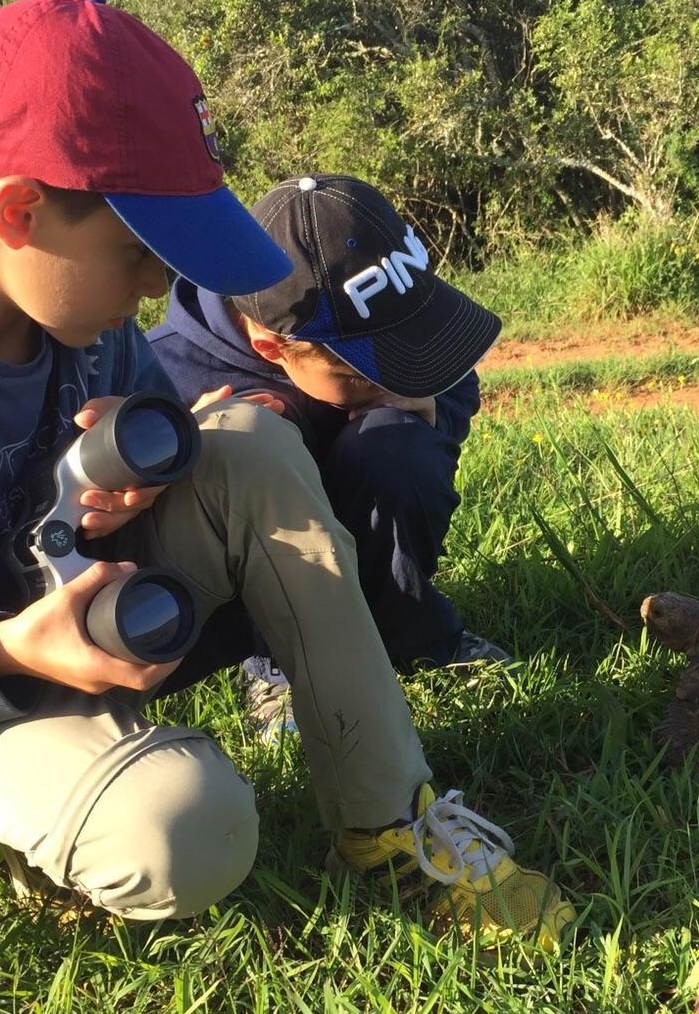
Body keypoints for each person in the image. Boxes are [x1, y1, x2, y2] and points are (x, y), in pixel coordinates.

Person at [0, 0, 574, 985]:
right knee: (187, 828)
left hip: (93, 624)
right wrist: (6, 652)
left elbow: (183, 477)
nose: (160, 291)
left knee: (246, 443)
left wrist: (126, 501)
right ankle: (41, 844)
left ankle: (390, 825)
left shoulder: (84, 321)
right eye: (139, 255)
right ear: (17, 213)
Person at [145, 174, 510, 734]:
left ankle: (415, 636)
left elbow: (451, 373)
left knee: (395, 446)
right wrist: (186, 451)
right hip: (257, 564)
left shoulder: (380, 298)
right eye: (368, 372)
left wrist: (428, 400)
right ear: (271, 347)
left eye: (407, 349)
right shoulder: (164, 375)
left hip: (365, 507)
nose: (394, 378)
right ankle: (275, 666)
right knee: (239, 449)